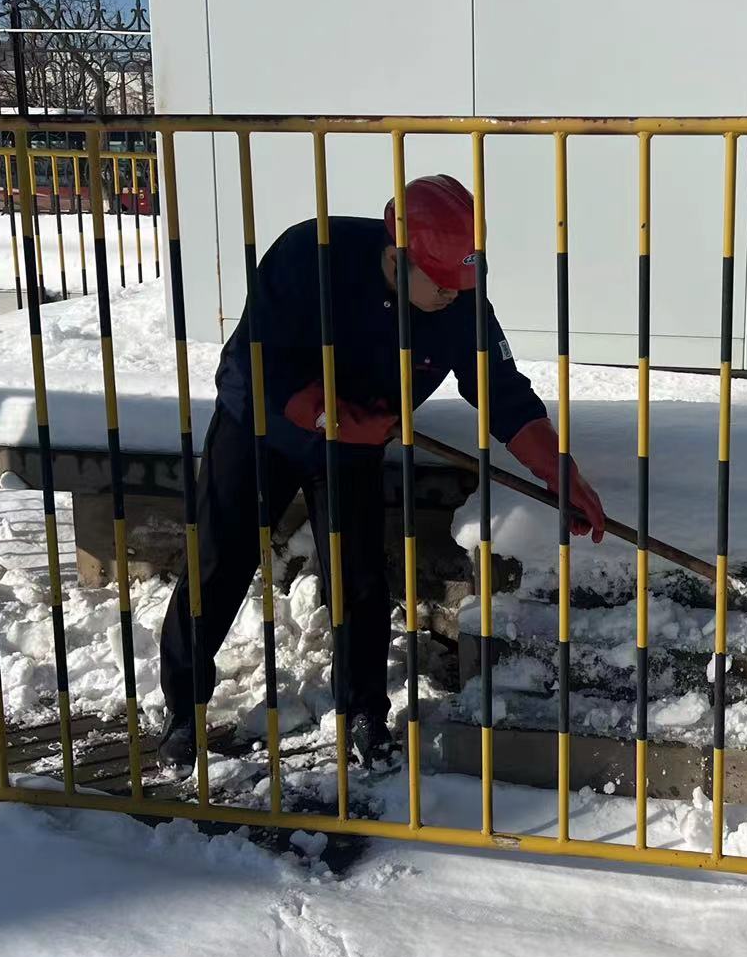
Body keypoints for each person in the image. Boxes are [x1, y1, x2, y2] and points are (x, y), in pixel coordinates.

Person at [158, 174, 606, 769]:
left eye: (464, 283)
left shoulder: (461, 299)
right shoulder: (308, 256)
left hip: (354, 440)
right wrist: (333, 416)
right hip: (261, 425)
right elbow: (263, 363)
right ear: (396, 257)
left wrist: (557, 469)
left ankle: (363, 711)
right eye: (441, 283)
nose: (454, 296)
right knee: (220, 558)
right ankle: (183, 709)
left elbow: (502, 391)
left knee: (359, 577)